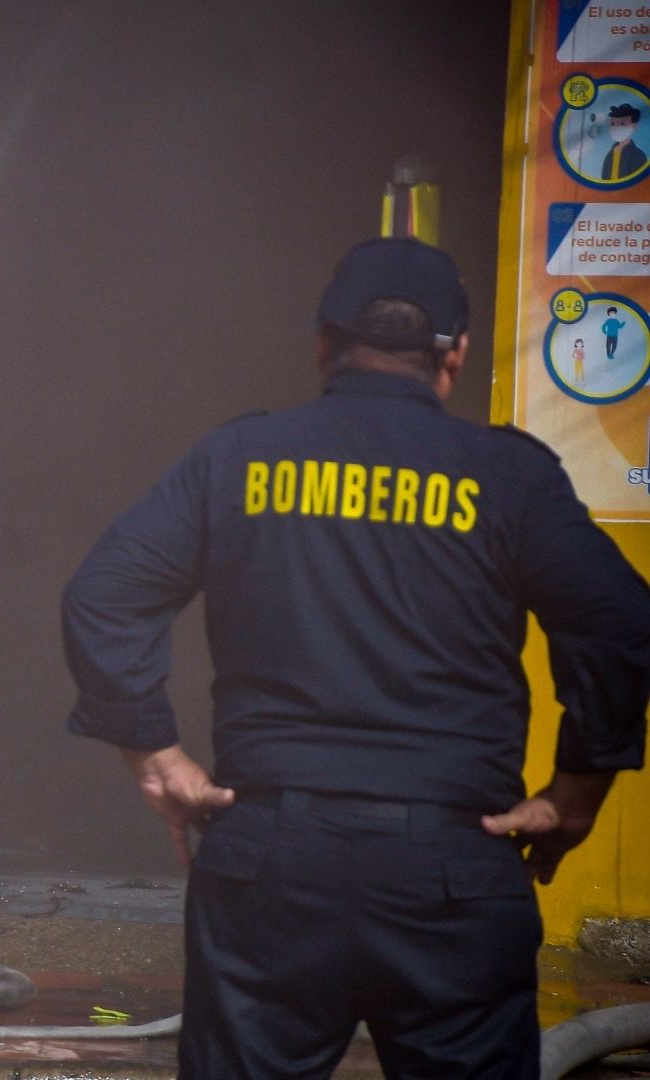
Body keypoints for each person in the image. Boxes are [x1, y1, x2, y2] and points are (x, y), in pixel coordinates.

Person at [61, 237, 650, 1079]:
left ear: (323, 343)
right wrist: (577, 791)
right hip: (452, 870)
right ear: (456, 352)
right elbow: (620, 621)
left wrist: (156, 752)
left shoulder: (239, 459)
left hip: (272, 864)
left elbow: (104, 592)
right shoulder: (508, 476)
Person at [604, 102, 647, 183]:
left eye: (622, 123)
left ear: (633, 125)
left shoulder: (637, 155)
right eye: (613, 123)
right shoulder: (609, 155)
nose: (617, 127)